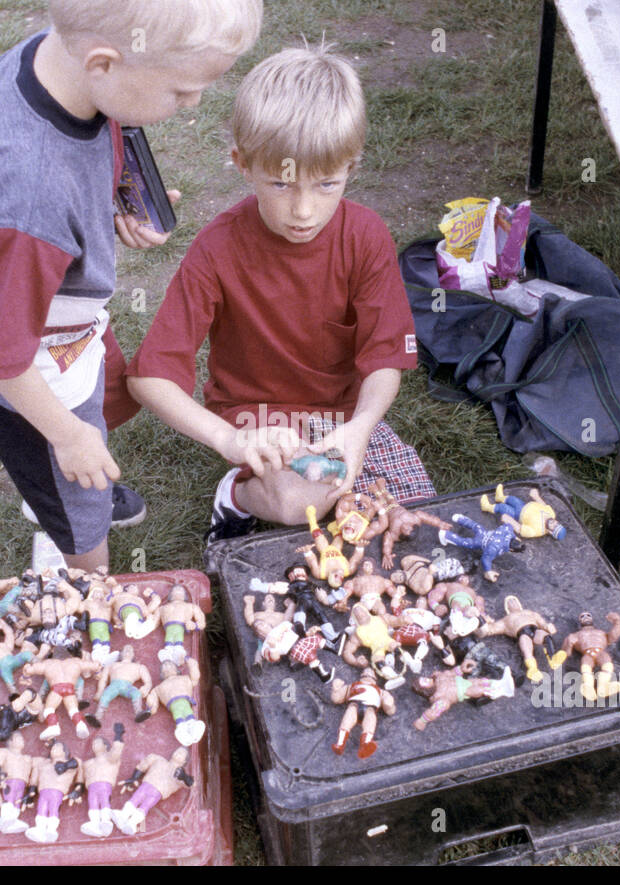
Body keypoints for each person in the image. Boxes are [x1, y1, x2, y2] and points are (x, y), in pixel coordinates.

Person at [0, 0, 263, 570]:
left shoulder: (55, 60)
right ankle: (78, 564)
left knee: (106, 401)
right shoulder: (30, 196)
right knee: (77, 492)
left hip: (60, 317)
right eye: (181, 91)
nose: (193, 104)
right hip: (31, 365)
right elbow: (0, 352)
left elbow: (88, 149)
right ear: (104, 64)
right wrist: (66, 436)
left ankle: (70, 492)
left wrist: (104, 208)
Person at [126, 44, 434, 541]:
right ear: (242, 164)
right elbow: (148, 376)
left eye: (327, 185)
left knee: (410, 512)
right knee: (299, 501)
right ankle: (236, 496)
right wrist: (229, 438)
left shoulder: (367, 235)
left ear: (351, 168)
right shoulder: (217, 248)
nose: (304, 211)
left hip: (342, 421)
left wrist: (360, 428)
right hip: (257, 419)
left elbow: (385, 360)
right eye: (281, 184)